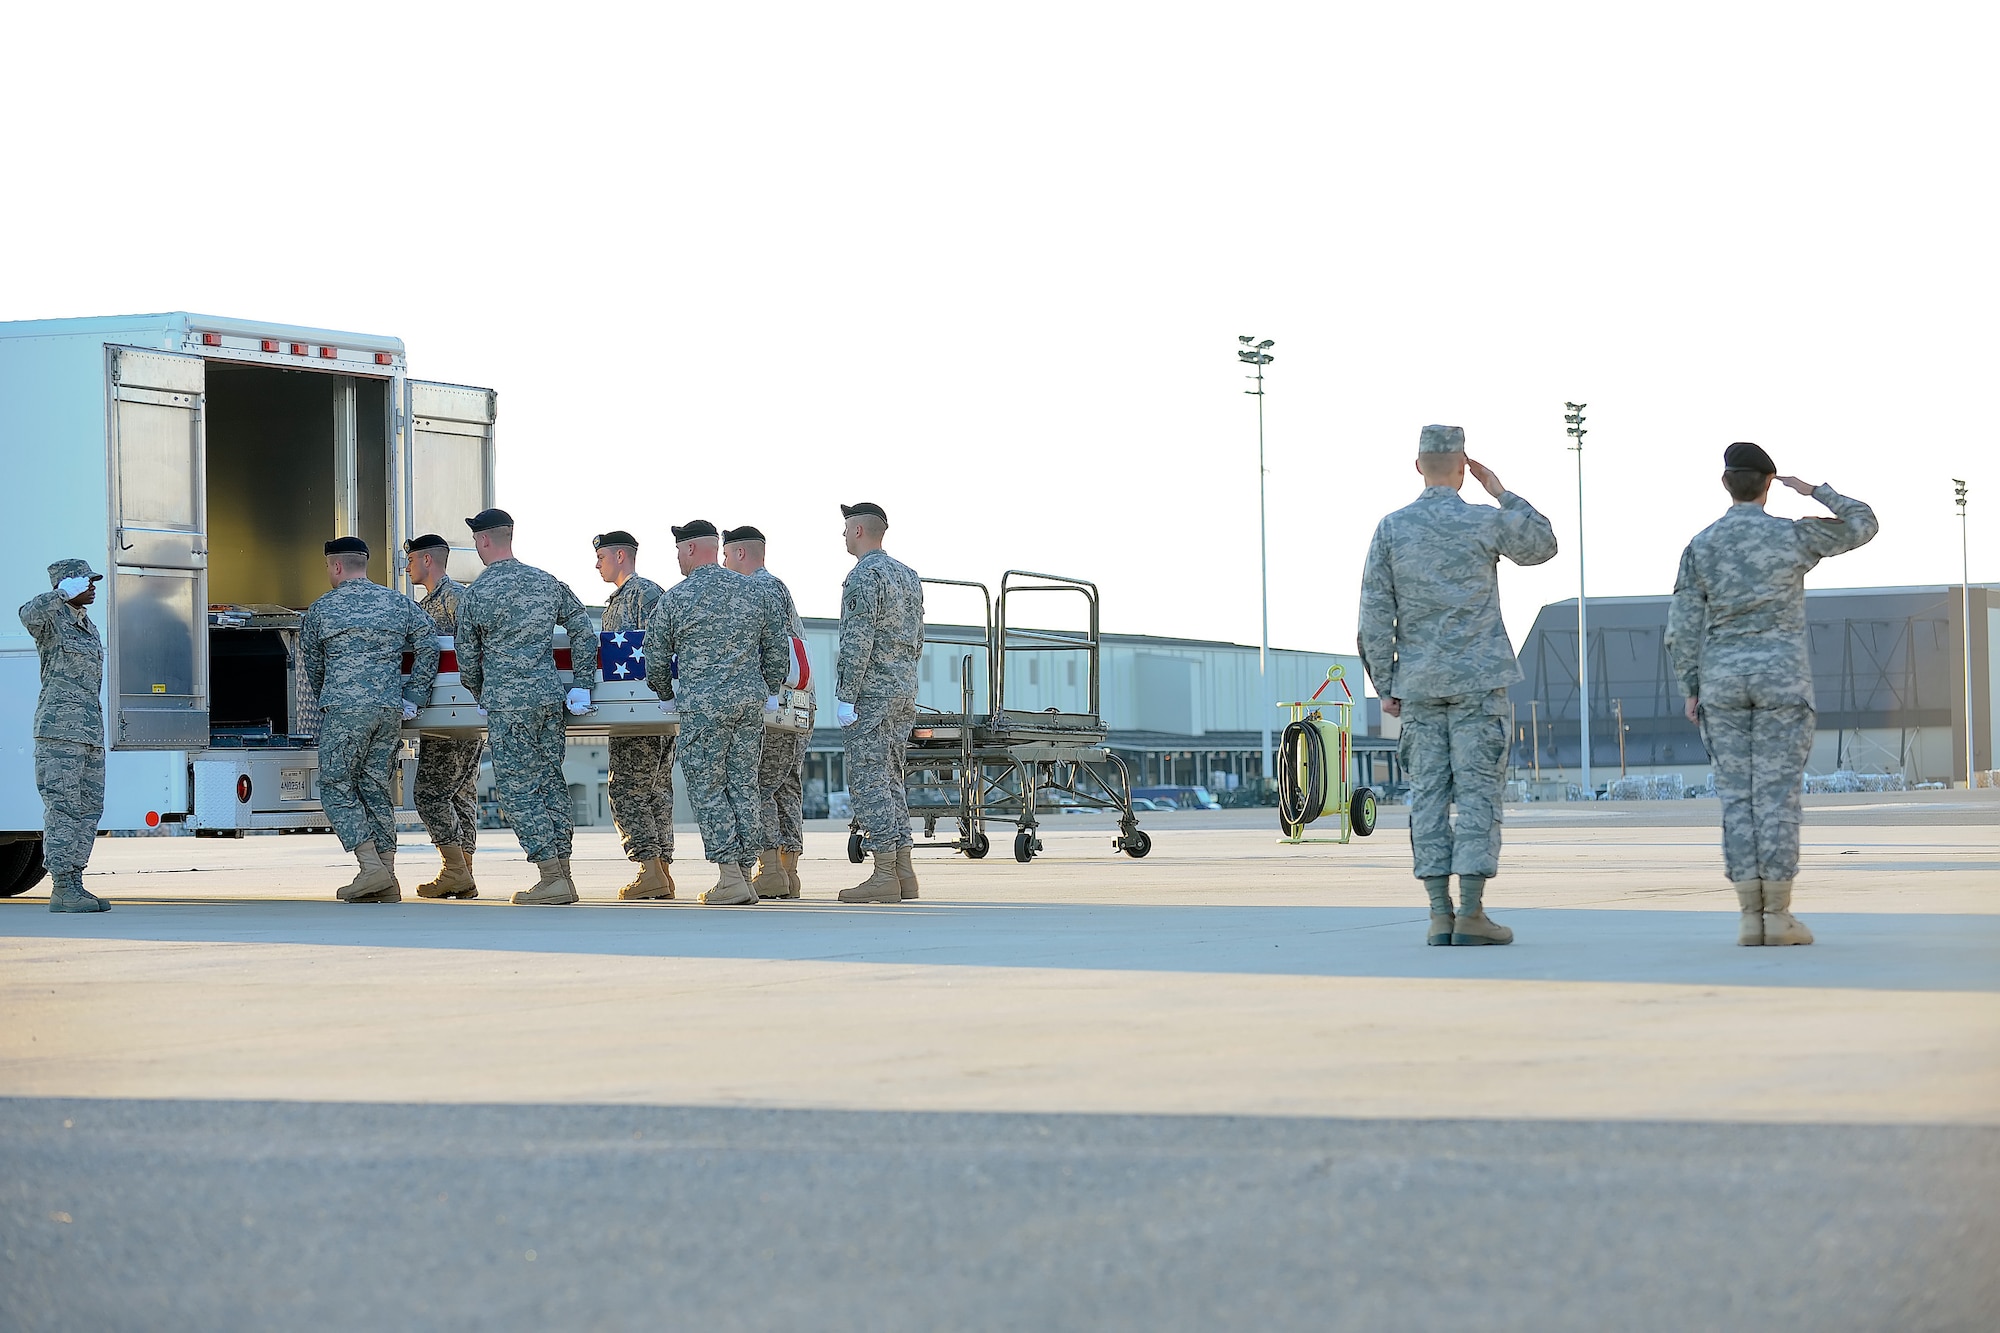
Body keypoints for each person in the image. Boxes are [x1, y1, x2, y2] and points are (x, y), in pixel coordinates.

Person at [1665, 443, 1878, 946]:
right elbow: (1863, 523)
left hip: (1722, 683)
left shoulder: (1701, 545)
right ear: (1767, 483)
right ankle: (1778, 915)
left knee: (1738, 799)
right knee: (1777, 797)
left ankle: (1747, 915)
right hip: (1781, 682)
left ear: (1725, 484)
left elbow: (1682, 626)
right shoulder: (1792, 536)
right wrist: (1813, 490)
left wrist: (1691, 687)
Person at [1358, 426, 1557, 946]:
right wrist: (1501, 491)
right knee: (1477, 796)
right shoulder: (1483, 520)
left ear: (1418, 465)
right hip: (1478, 683)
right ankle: (1472, 911)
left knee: (1426, 794)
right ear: (1463, 467)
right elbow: (1543, 546)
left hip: (1419, 686)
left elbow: (1374, 616)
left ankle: (1438, 915)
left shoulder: (1392, 529)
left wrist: (1386, 682)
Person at [455, 508, 599, 905]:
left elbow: (467, 658)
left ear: (484, 541)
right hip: (549, 699)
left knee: (519, 790)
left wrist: (483, 691)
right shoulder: (545, 582)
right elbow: (583, 630)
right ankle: (563, 875)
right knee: (551, 782)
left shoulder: (477, 593)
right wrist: (583, 684)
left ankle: (551, 876)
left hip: (508, 705)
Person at [651, 519, 791, 905]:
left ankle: (730, 876)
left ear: (692, 548)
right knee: (743, 786)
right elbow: (779, 647)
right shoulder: (755, 592)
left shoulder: (677, 598)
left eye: (680, 549)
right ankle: (744, 875)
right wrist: (769, 688)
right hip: (748, 704)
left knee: (708, 788)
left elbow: (656, 656)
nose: (678, 557)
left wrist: (665, 694)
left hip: (703, 708)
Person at [300, 537, 440, 902]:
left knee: (335, 784)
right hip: (389, 710)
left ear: (335, 566)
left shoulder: (321, 609)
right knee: (374, 788)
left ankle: (370, 868)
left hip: (346, 709)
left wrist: (328, 699)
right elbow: (429, 644)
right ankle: (388, 880)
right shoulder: (398, 602)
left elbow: (313, 667)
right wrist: (415, 696)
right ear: (364, 563)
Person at [833, 502, 925, 904]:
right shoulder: (908, 576)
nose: (841, 535)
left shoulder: (863, 575)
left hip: (870, 693)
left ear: (857, 531)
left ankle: (884, 872)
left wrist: (846, 695)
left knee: (869, 781)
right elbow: (919, 637)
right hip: (903, 690)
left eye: (844, 528)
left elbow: (857, 641)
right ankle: (904, 872)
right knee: (891, 779)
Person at [17, 559, 111, 912]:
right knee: (63, 807)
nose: (93, 587)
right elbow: (26, 615)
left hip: (89, 732)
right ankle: (62, 886)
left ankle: (75, 879)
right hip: (59, 733)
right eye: (86, 582)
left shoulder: (88, 626)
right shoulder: (52, 620)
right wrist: (58, 595)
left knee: (89, 809)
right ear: (68, 586)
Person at [722, 524, 808, 899]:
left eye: (725, 555)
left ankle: (770, 868)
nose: (723, 563)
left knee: (758, 786)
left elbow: (763, 649)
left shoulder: (754, 588)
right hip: (797, 704)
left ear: (740, 553)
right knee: (786, 787)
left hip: (773, 705)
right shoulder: (779, 587)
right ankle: (788, 872)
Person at [593, 529, 678, 901]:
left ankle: (651, 867)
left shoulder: (644, 594)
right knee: (653, 789)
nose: (597, 564)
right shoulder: (621, 600)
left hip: (641, 709)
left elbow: (663, 645)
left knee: (629, 788)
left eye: (602, 557)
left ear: (621, 557)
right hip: (641, 708)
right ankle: (660, 871)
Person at [403, 534, 482, 899]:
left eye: (412, 560)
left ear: (428, 561)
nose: (407, 567)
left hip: (454, 716)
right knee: (460, 795)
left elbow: (471, 650)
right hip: (448, 717)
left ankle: (455, 870)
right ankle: (462, 871)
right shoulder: (427, 604)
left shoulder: (456, 600)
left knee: (431, 794)